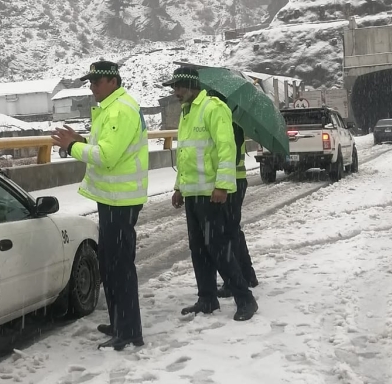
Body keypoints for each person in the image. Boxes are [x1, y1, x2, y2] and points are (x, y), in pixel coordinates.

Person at [51, 60, 148, 351]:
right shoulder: (111, 109)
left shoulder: (119, 109)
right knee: (109, 264)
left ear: (113, 81)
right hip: (112, 199)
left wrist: (72, 147)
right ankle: (120, 320)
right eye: (90, 82)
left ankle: (130, 330)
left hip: (121, 200)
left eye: (96, 82)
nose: (92, 87)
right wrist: (81, 140)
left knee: (120, 268)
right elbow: (101, 142)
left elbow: (106, 155)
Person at [164, 67, 258, 322]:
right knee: (198, 249)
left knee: (218, 248)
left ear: (192, 85)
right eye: (173, 87)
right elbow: (185, 155)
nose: (175, 92)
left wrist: (222, 186)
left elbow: (226, 149)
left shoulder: (213, 108)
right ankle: (207, 298)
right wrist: (178, 187)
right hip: (193, 193)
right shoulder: (186, 113)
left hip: (210, 193)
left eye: (178, 87)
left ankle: (245, 298)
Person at [218, 122, 259, 297]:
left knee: (229, 233)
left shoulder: (230, 124)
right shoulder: (235, 122)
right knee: (233, 230)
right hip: (235, 180)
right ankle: (247, 274)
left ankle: (236, 279)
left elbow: (231, 156)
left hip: (232, 182)